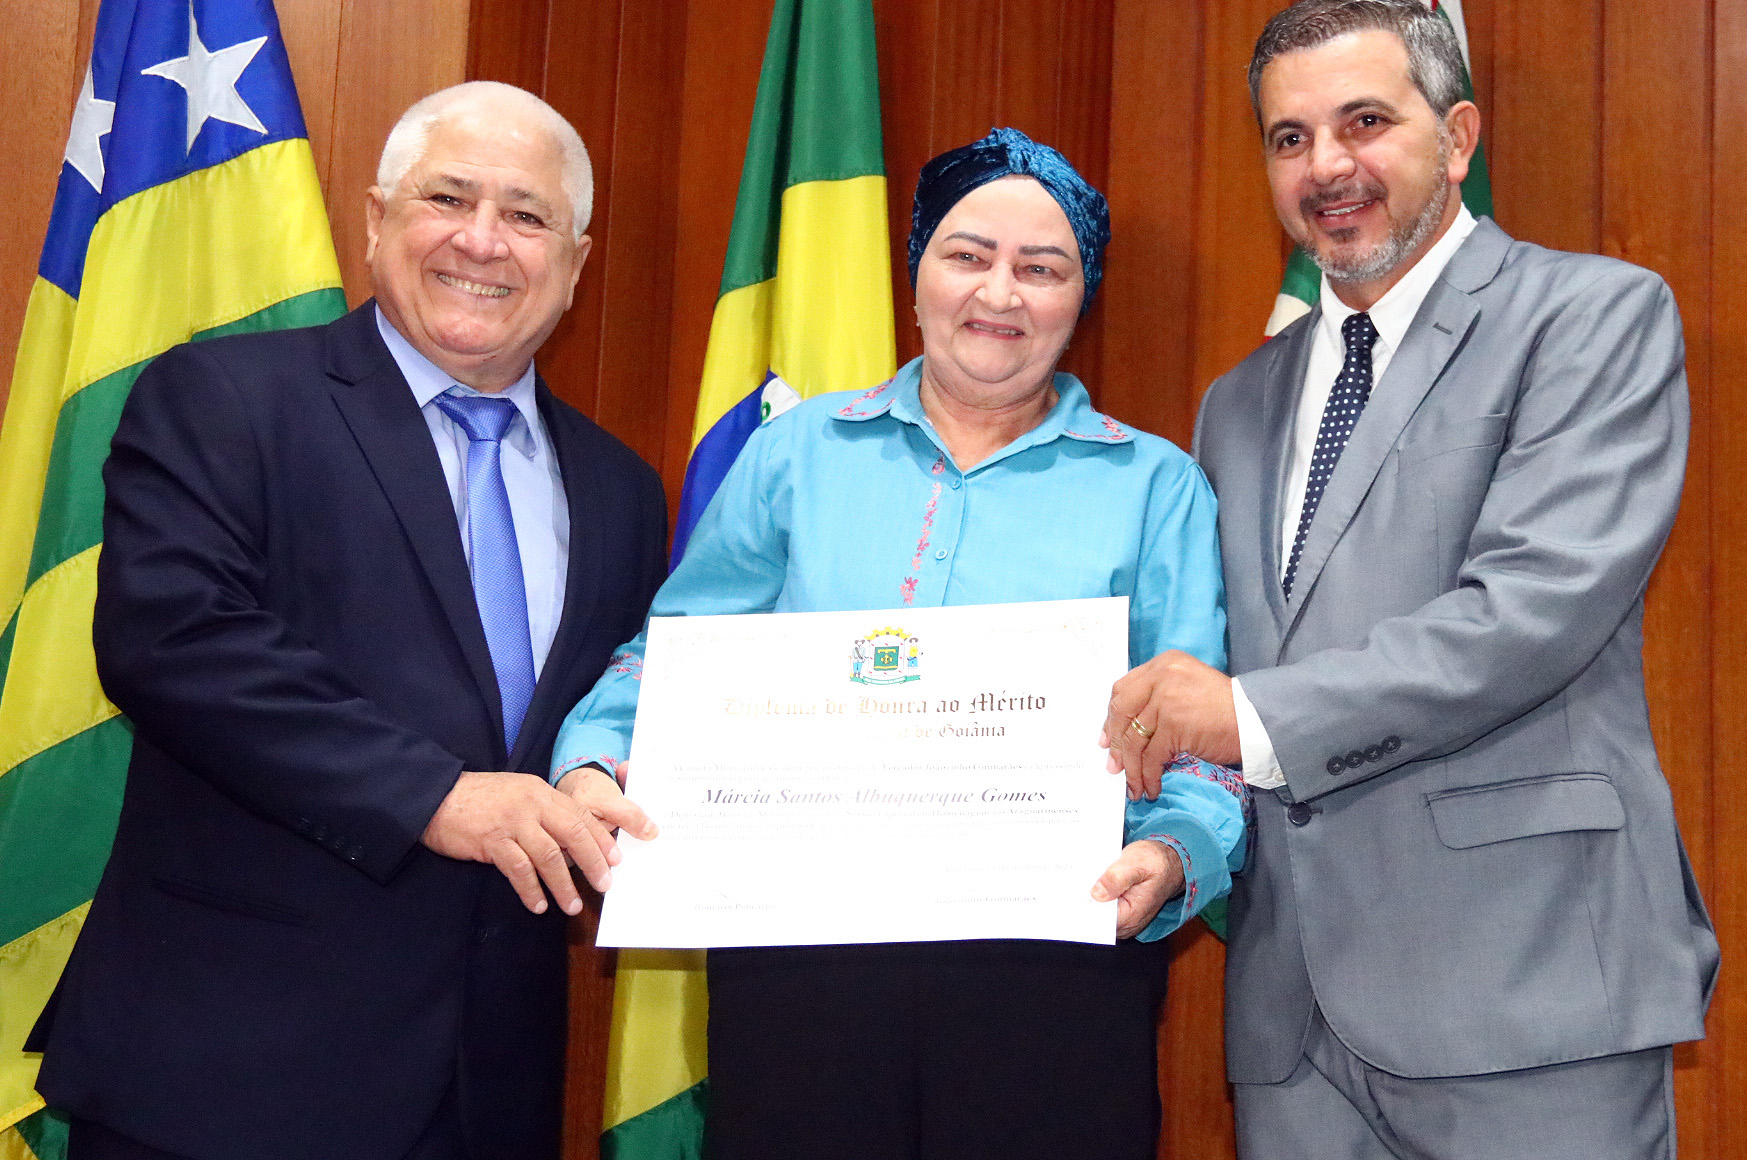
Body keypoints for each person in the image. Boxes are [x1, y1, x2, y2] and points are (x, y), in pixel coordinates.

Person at [1102, 0, 1720, 1159]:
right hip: (1291, 1022)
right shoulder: (1237, 402)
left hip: (1526, 981)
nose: (1327, 165)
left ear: (1459, 136)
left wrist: (1243, 715)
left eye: (1365, 122)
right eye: (1290, 138)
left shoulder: (1590, 316)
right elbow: (1218, 659)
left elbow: (1531, 613)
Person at [553, 128, 1245, 1160]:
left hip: (1053, 977)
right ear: (916, 272)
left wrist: (1174, 852)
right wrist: (592, 762)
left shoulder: (1157, 486)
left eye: (1041, 268)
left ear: (1080, 298)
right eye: (968, 255)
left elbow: (1199, 736)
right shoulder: (796, 453)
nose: (1000, 293)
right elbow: (681, 657)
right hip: (799, 968)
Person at [29, 82, 667, 1160]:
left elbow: (616, 706)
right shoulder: (225, 399)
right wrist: (435, 796)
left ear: (575, 262)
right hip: (224, 1073)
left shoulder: (623, 489)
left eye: (526, 215)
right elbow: (173, 641)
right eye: (448, 198)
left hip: (486, 1090)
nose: (482, 240)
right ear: (375, 220)